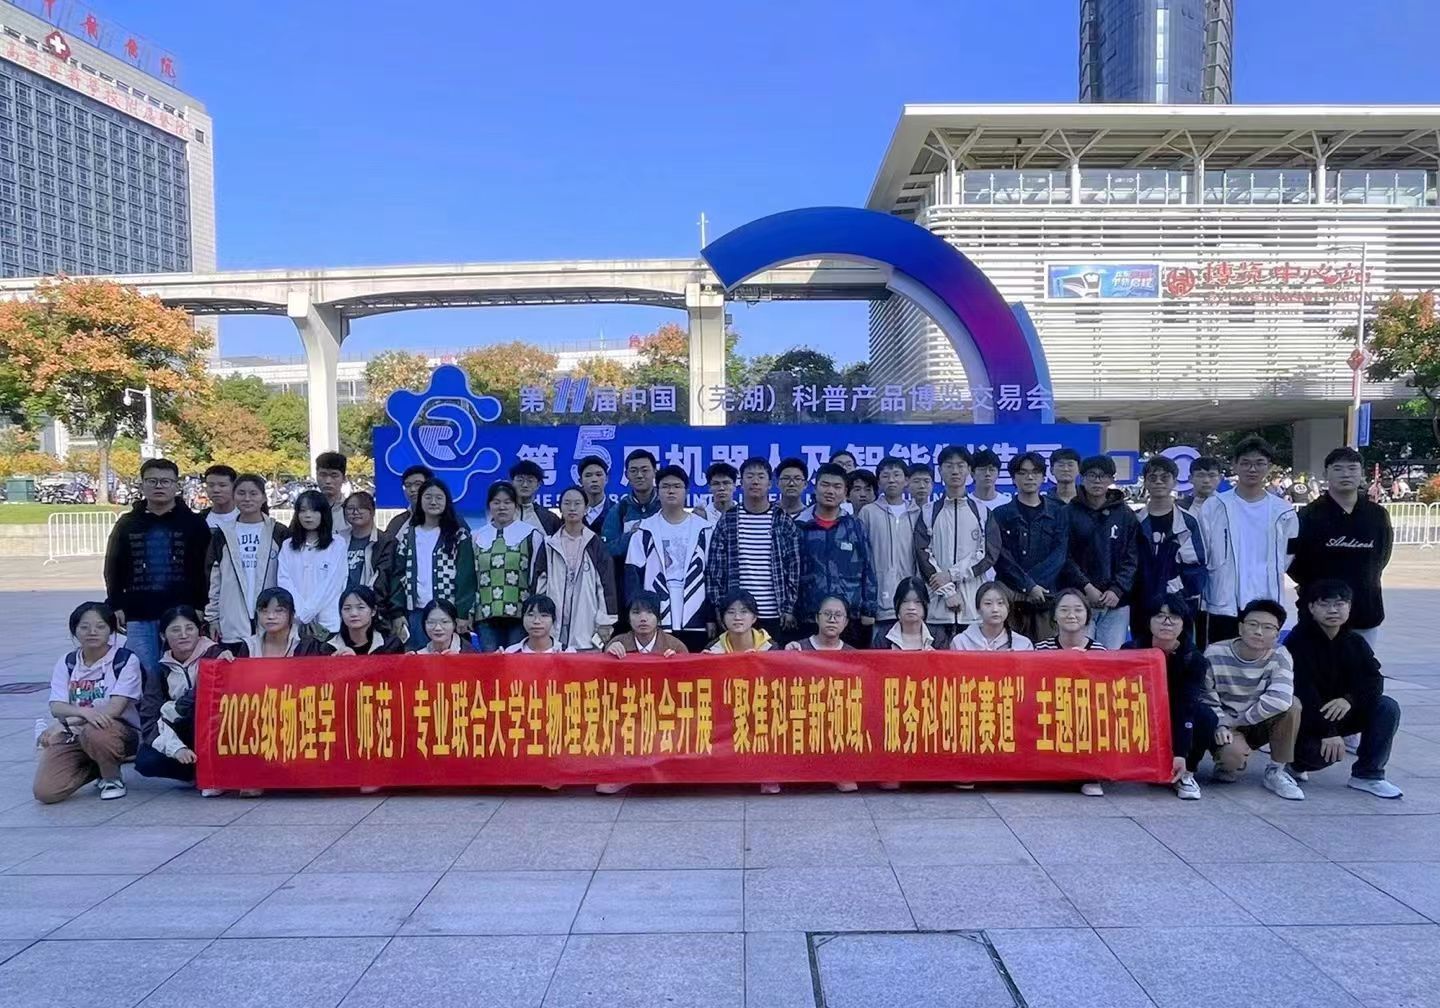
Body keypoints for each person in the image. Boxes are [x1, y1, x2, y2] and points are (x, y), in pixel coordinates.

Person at [1284, 580, 1403, 798]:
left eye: (1340, 604)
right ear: (1311, 607)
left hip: (1342, 712)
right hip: (1309, 721)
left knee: (1386, 706)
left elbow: (1373, 680)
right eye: (1325, 604)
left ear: (1349, 607)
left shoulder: (1354, 641)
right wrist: (1328, 732)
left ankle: (1368, 775)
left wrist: (1349, 699)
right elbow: (1303, 691)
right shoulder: (1298, 642)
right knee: (1321, 754)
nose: (1333, 610)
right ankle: (1295, 766)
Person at [103, 457, 211, 678]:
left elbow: (205, 569)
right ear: (142, 484)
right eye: (152, 481)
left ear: (176, 485)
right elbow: (114, 566)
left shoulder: (194, 523)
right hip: (139, 612)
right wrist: (116, 604)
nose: (158, 486)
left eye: (165, 481)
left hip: (182, 613)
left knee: (182, 673)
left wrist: (201, 605)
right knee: (144, 673)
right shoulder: (127, 523)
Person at [33, 602, 142, 803]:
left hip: (116, 731)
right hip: (75, 734)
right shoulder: (67, 662)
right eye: (84, 627)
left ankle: (111, 779)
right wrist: (84, 714)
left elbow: (115, 708)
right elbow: (56, 706)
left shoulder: (124, 660)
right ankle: (98, 765)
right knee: (46, 792)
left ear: (111, 629)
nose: (92, 632)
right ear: (74, 630)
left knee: (96, 732)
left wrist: (66, 723)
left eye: (100, 626)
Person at [1289, 446, 1393, 651]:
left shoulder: (1377, 515)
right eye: (1338, 469)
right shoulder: (1309, 516)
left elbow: (1382, 557)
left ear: (1361, 473)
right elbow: (1293, 561)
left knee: (1361, 667)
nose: (1346, 474)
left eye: (1352, 469)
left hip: (1364, 608)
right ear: (1325, 474)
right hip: (1320, 612)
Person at [133, 604, 245, 792]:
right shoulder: (160, 670)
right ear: (163, 636)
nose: (183, 635)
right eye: (175, 630)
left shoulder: (218, 656)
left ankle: (219, 773)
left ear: (199, 632)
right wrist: (176, 748)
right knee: (146, 759)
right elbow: (149, 717)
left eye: (189, 628)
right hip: (183, 729)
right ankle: (198, 773)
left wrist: (176, 707)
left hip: (218, 728)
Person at [1201, 598, 1305, 800]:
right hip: (1225, 724)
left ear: (1277, 634)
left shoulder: (1280, 654)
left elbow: (1281, 699)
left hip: (1257, 720)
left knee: (1293, 705)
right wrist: (1220, 724)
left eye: (1268, 627)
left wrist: (1238, 721)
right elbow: (1206, 695)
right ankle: (1229, 761)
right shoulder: (1215, 652)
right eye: (1253, 624)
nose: (1259, 632)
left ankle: (1276, 771)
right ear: (1241, 627)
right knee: (1230, 763)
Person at [1199, 435, 1297, 646]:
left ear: (1269, 466)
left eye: (1259, 463)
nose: (1252, 469)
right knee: (1221, 656)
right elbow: (1203, 549)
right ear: (1234, 465)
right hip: (1223, 600)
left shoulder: (1283, 511)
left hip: (1267, 599)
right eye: (1245, 463)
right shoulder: (1214, 506)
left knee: (1262, 656)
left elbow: (1289, 553)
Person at [1122, 595, 1214, 801]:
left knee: (1205, 716)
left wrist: (1180, 753)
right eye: (1160, 616)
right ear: (1148, 620)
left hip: (1175, 712)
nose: (1166, 622)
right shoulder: (1131, 650)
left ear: (1184, 623)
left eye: (1174, 617)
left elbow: (1186, 703)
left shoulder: (1194, 659)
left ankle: (1187, 772)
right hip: (1139, 712)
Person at [706, 457, 801, 642]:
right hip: (738, 615)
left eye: (760, 476)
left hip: (774, 612)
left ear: (770, 483)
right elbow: (715, 570)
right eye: (749, 476)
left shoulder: (782, 520)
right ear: (741, 483)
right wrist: (719, 606)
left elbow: (793, 568)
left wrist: (788, 608)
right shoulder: (728, 519)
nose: (755, 481)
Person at [913, 446, 999, 647]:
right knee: (936, 664)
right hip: (937, 609)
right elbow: (923, 554)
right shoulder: (928, 512)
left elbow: (988, 554)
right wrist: (948, 592)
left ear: (969, 470)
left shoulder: (982, 512)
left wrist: (951, 575)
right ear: (940, 471)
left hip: (973, 609)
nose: (955, 471)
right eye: (949, 466)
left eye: (960, 466)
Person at [626, 465, 714, 652]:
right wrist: (637, 613)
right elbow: (633, 575)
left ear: (686, 491)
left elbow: (713, 576)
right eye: (665, 486)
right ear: (657, 491)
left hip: (695, 613)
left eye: (677, 486)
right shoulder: (644, 530)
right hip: (655, 615)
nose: (671, 491)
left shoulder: (704, 529)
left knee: (693, 665)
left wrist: (711, 616)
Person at [993, 451, 1073, 641]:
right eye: (1022, 473)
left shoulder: (1059, 512)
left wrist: (1035, 586)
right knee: (1008, 652)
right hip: (1010, 598)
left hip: (1045, 597)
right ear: (1013, 478)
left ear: (1044, 477)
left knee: (1045, 653)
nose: (1029, 477)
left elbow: (1059, 554)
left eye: (1035, 472)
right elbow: (1000, 556)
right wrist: (1028, 586)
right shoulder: (1000, 514)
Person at [796, 462, 876, 648]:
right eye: (825, 485)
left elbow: (868, 569)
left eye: (837, 486)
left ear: (845, 492)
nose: (830, 491)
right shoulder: (799, 525)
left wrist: (869, 609)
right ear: (815, 487)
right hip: (808, 615)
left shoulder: (854, 526)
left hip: (849, 616)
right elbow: (789, 571)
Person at [390, 477, 477, 646]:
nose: (433, 502)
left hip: (448, 613)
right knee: (418, 658)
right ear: (420, 500)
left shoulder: (458, 534)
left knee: (449, 658)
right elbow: (398, 575)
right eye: (428, 497)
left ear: (447, 501)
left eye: (439, 497)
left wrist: (462, 613)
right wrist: (397, 611)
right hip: (416, 612)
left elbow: (466, 576)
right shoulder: (409, 535)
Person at [205, 473, 287, 648]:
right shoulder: (222, 534)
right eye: (241, 493)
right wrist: (212, 617)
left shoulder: (279, 532)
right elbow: (215, 579)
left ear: (263, 497)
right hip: (232, 619)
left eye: (253, 493)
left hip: (271, 619)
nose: (247, 498)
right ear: (234, 496)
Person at [1067, 454, 1139, 651]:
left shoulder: (1125, 514)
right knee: (1080, 656)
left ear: (1111, 479)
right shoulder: (1068, 513)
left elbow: (1132, 557)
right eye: (1092, 475)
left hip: (1116, 602)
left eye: (1103, 475)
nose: (1097, 481)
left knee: (1111, 657)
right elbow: (1064, 557)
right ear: (1082, 478)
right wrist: (1086, 587)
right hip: (1079, 600)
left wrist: (1117, 589)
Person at [1133, 455, 1208, 641]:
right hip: (1141, 599)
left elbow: (1196, 563)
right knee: (1141, 649)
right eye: (1152, 478)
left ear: (1174, 481)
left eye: (1165, 477)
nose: (1158, 482)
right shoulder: (1134, 520)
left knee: (1179, 650)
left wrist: (1182, 596)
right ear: (1145, 482)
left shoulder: (1187, 521)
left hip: (1177, 602)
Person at [536, 486, 617, 651]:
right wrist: (540, 617)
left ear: (586, 509)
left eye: (577, 503)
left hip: (586, 621)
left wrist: (605, 622)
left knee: (585, 665)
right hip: (553, 624)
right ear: (560, 508)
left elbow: (606, 585)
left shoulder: (595, 543)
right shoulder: (549, 544)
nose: (572, 508)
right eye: (567, 503)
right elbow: (540, 585)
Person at [473, 480, 545, 652]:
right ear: (489, 505)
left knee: (516, 661)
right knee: (490, 662)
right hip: (485, 614)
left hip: (519, 614)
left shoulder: (531, 534)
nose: (502, 507)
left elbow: (537, 576)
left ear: (515, 505)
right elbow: (471, 577)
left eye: (507, 502)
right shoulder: (477, 536)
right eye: (496, 502)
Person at [858, 456, 920, 641]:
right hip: (878, 599)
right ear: (879, 482)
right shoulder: (868, 512)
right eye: (885, 476)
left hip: (911, 597)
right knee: (880, 649)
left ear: (906, 481)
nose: (891, 480)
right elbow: (861, 557)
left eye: (896, 475)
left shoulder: (918, 513)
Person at [277, 489, 348, 641]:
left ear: (323, 514)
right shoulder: (287, 546)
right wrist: (300, 613)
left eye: (314, 510)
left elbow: (334, 583)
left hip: (327, 623)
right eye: (303, 511)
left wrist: (308, 612)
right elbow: (284, 581)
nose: (308, 515)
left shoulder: (337, 544)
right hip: (295, 621)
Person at [239, 587, 336, 658]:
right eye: (264, 611)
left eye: (279, 611)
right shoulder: (249, 646)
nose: (270, 616)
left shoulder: (308, 643)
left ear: (292, 614)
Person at [600, 448, 660, 559]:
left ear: (655, 472)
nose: (639, 475)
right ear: (626, 475)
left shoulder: (665, 506)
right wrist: (632, 536)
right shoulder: (619, 510)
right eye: (633, 471)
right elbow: (606, 549)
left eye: (645, 470)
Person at [951, 581, 1035, 652]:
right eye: (988, 603)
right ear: (978, 609)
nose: (995, 609)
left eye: (1000, 603)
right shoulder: (961, 642)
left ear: (1008, 608)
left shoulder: (1023, 644)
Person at [340, 491, 395, 594]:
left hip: (369, 599)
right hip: (338, 599)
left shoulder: (385, 541)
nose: (355, 512)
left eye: (361, 507)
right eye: (350, 508)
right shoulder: (338, 540)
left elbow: (383, 578)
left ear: (372, 511)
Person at [606, 591, 689, 656]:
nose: (643, 618)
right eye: (636, 612)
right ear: (628, 618)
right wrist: (609, 655)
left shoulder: (676, 646)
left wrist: (675, 662)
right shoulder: (617, 642)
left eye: (650, 612)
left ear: (658, 618)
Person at [331, 586, 404, 655]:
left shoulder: (391, 645)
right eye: (347, 608)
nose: (353, 613)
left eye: (360, 607)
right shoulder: (330, 647)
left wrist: (353, 660)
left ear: (373, 611)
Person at [1035, 589, 1108, 652]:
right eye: (1064, 610)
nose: (1071, 616)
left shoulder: (1100, 651)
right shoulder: (1041, 649)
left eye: (1078, 610)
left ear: (1087, 614)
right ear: (1054, 615)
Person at [874, 577, 937, 650]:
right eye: (905, 601)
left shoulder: (937, 636)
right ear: (897, 604)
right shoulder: (884, 636)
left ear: (926, 605)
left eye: (917, 602)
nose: (911, 607)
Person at [706, 589, 774, 653]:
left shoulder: (770, 648)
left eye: (744, 612)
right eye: (731, 612)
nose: (737, 617)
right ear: (723, 618)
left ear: (754, 617)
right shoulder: (713, 649)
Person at [504, 594, 574, 653]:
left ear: (553, 619)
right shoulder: (511, 652)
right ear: (522, 618)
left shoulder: (567, 652)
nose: (536, 621)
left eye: (544, 615)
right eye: (531, 615)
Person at [510, 459, 561, 534]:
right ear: (512, 482)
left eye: (530, 481)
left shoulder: (550, 518)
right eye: (520, 480)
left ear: (538, 485)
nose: (525, 485)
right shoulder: (502, 513)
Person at [407, 598, 476, 654]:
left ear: (454, 624)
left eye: (444, 622)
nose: (438, 628)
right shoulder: (419, 654)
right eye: (431, 622)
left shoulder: (469, 652)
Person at [385, 465, 435, 540]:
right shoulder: (397, 522)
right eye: (408, 485)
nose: (412, 489)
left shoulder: (444, 520)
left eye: (418, 484)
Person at [315, 451, 350, 534]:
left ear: (344, 478)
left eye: (334, 475)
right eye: (323, 475)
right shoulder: (307, 508)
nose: (328, 481)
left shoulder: (351, 510)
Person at [970, 448, 1011, 516]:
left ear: (998, 474)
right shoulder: (966, 503)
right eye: (982, 469)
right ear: (972, 474)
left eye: (992, 470)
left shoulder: (1007, 503)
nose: (987, 474)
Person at [577, 455, 611, 532]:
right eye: (588, 475)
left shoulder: (617, 511)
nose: (594, 479)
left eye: (598, 475)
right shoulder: (573, 511)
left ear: (607, 479)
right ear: (580, 481)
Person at [199, 464, 239, 530]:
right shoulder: (198, 520)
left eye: (222, 485)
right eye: (211, 485)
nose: (216, 490)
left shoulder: (250, 518)